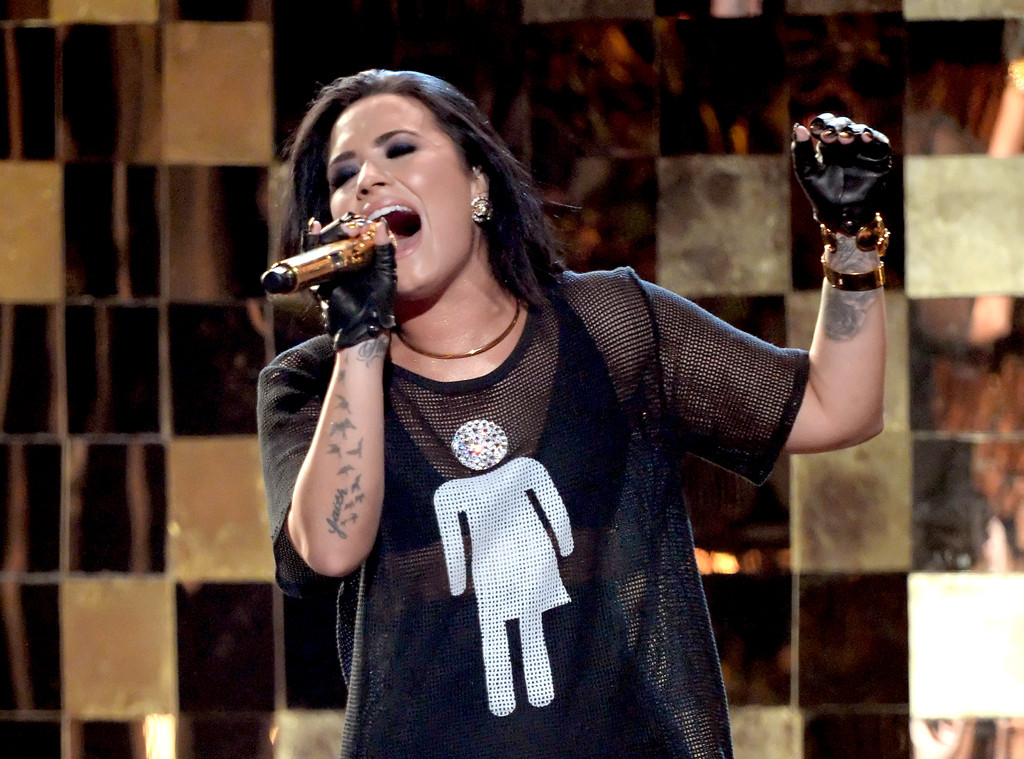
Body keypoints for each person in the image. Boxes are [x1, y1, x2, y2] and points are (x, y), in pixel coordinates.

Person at [257, 68, 889, 758]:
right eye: (343, 175)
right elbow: (329, 548)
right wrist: (360, 341)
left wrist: (852, 239)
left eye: (399, 150)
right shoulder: (314, 382)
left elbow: (837, 408)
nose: (367, 183)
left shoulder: (611, 323)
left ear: (478, 184)